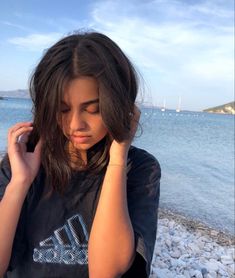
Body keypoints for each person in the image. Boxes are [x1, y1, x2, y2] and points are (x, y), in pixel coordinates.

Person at [0, 31, 161, 278]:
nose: (76, 124)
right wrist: (19, 184)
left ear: (118, 105)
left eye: (93, 110)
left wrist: (117, 160)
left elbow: (105, 272)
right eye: (62, 109)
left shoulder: (139, 169)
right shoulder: (22, 161)